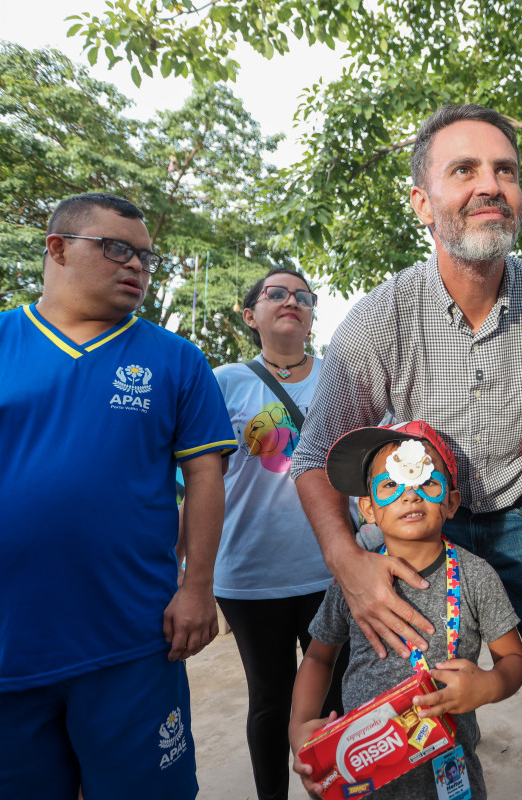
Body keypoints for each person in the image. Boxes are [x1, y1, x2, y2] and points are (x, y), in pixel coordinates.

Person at [0, 193, 235, 799]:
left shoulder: (177, 361)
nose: (136, 265)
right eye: (116, 248)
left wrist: (197, 586)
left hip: (132, 636)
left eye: (145, 256)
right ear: (57, 248)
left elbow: (205, 477)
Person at [288, 104, 522, 689]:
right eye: (464, 170)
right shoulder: (378, 318)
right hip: (426, 520)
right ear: (422, 204)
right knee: (406, 685)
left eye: (505, 171)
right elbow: (314, 456)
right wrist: (348, 562)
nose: (491, 186)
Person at [289, 421, 522, 799]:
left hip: (451, 778)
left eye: (427, 482)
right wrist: (299, 726)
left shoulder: (477, 577)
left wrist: (490, 685)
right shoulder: (352, 584)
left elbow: (512, 658)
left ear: (451, 502)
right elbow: (318, 657)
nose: (410, 494)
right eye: (390, 484)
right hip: (364, 774)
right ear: (368, 508)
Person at [208, 268, 343, 800]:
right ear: (251, 315)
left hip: (331, 569)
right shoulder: (223, 383)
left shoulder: (341, 377)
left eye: (303, 296)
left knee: (334, 698)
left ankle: (338, 788)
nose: (292, 301)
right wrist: (183, 570)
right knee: (269, 699)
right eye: (277, 293)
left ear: (311, 317)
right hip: (249, 574)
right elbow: (203, 484)